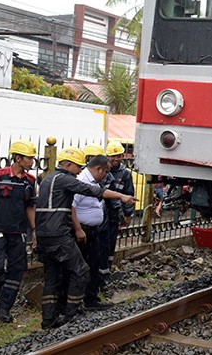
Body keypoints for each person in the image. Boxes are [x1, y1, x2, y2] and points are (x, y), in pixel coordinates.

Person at [35, 146, 136, 329]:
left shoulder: (48, 179)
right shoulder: (65, 179)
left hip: (44, 235)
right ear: (67, 164)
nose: (80, 170)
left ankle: (48, 320)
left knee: (52, 277)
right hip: (58, 234)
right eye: (77, 166)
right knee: (80, 270)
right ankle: (70, 316)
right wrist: (121, 196)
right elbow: (92, 191)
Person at [0, 140, 38, 323]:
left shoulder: (30, 180)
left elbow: (30, 207)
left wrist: (34, 230)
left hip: (18, 231)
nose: (32, 161)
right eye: (29, 158)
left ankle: (3, 308)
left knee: (17, 270)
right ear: (18, 158)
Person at [71, 155, 113, 310]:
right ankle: (77, 302)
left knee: (93, 265)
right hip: (83, 231)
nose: (107, 175)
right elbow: (72, 207)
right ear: (98, 169)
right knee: (82, 267)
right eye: (106, 171)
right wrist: (78, 229)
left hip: (93, 231)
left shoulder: (94, 181)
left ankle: (91, 299)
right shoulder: (82, 181)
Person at [104, 140, 135, 275]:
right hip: (102, 212)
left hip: (116, 213)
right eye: (113, 156)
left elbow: (129, 193)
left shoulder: (125, 174)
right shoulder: (103, 171)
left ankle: (107, 268)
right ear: (107, 156)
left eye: (118, 156)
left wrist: (128, 215)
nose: (116, 159)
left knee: (111, 243)